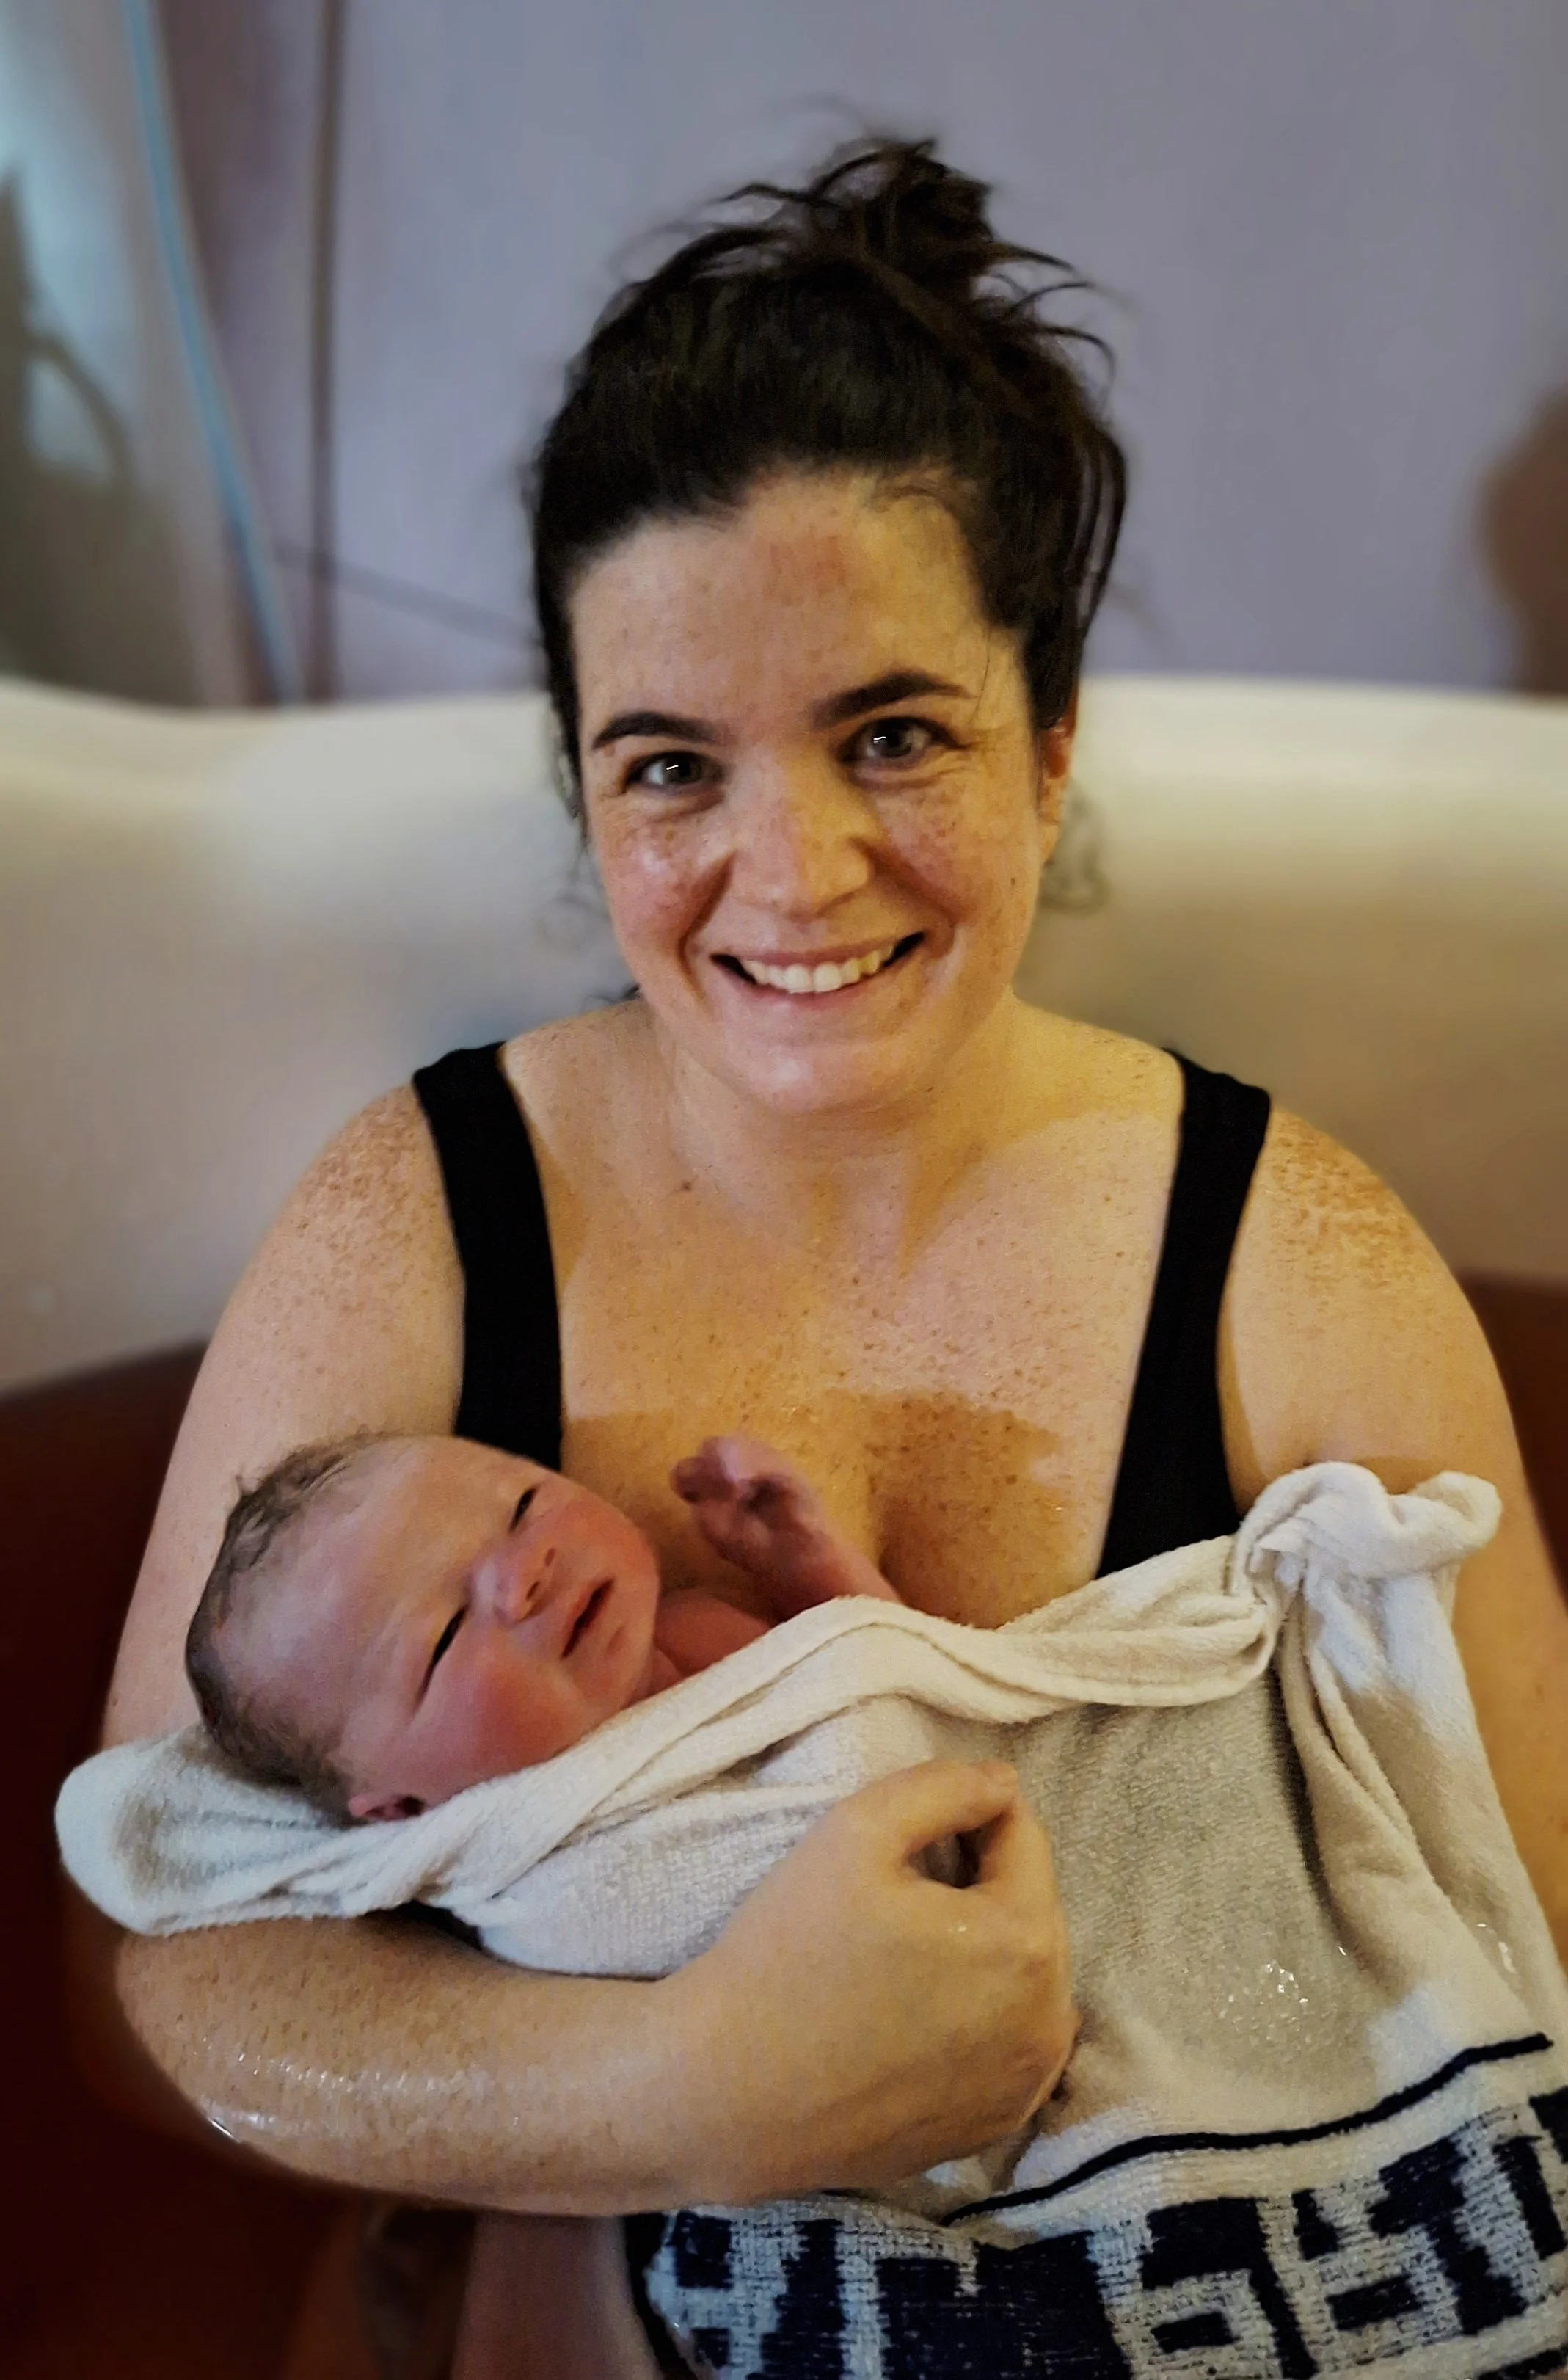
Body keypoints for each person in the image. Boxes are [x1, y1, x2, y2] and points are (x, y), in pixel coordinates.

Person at [92, 138, 1568, 2375]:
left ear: (1049, 748)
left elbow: (1527, 1937)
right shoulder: (420, 1215)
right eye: (668, 766)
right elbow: (166, 1971)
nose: (788, 871)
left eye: (890, 734)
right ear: (584, 789)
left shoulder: (1295, 1259)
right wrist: (689, 2086)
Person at [183, 1430, 905, 1820]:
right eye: (444, 1635)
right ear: (401, 1807)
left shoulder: (716, 1621)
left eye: (523, 1506)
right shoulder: (553, 1866)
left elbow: (912, 1671)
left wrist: (807, 1564)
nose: (526, 1571)